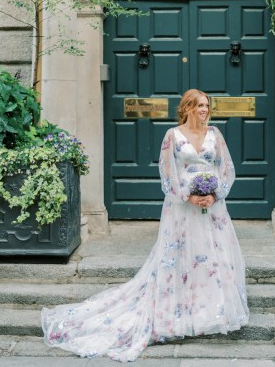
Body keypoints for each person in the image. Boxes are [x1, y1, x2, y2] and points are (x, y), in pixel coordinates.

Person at [41, 89, 249, 362]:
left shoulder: (215, 135)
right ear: (186, 107)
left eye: (206, 106)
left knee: (213, 259)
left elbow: (226, 168)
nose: (204, 110)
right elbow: (166, 174)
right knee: (182, 258)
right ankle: (178, 313)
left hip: (213, 209)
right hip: (182, 209)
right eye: (199, 105)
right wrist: (189, 195)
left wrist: (214, 194)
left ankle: (209, 312)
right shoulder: (172, 136)